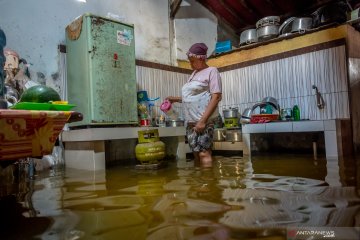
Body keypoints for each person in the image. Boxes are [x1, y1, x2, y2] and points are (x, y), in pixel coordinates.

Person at [166, 43, 222, 166]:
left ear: (201, 58)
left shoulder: (212, 71)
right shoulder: (193, 75)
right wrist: (175, 99)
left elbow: (216, 96)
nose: (190, 64)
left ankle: (208, 183)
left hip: (203, 121)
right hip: (190, 123)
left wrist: (203, 121)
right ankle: (199, 184)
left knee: (204, 154)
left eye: (192, 61)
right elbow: (193, 97)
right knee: (196, 154)